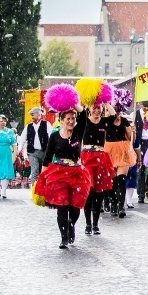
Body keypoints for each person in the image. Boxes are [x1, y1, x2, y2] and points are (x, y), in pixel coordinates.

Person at [35, 104, 91, 248]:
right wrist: (42, 178)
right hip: (58, 174)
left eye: (73, 118)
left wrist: (73, 103)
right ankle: (64, 237)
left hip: (77, 173)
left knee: (75, 207)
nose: (71, 121)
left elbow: (83, 114)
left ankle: (71, 224)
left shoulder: (78, 132)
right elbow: (47, 157)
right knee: (62, 206)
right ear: (61, 120)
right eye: (68, 118)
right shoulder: (54, 135)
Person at [79, 104, 115, 235]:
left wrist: (105, 102)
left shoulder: (104, 122)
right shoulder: (84, 120)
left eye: (98, 108)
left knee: (98, 193)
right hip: (87, 159)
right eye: (94, 108)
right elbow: (79, 110)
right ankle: (88, 224)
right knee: (88, 192)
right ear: (89, 109)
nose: (96, 110)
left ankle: (96, 224)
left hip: (100, 159)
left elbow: (113, 114)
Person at [105, 110, 135, 218]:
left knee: (121, 179)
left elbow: (131, 138)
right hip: (109, 151)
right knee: (112, 180)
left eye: (118, 110)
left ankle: (121, 206)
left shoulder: (124, 121)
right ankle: (113, 203)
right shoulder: (106, 121)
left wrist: (133, 131)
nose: (116, 113)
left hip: (123, 151)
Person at [16, 106, 51, 184]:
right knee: (34, 170)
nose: (32, 116)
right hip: (32, 153)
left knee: (44, 171)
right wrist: (19, 149)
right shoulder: (28, 126)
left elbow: (51, 137)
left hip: (44, 152)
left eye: (33, 114)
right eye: (31, 115)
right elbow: (22, 139)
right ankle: (34, 191)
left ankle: (43, 188)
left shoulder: (46, 124)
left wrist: (53, 149)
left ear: (39, 114)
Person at [134, 101, 148, 204]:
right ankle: (140, 194)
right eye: (145, 106)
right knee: (141, 169)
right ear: (141, 105)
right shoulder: (135, 115)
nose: (146, 109)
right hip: (140, 143)